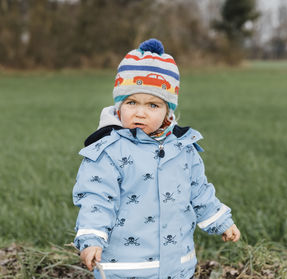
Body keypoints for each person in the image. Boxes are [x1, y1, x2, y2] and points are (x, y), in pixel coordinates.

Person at [73, 38, 240, 279]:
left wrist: (221, 221)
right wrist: (91, 238)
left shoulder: (183, 147)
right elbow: (96, 197)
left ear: (167, 112)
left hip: (177, 265)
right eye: (131, 102)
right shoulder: (108, 150)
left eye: (152, 105)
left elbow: (199, 190)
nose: (140, 112)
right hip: (125, 268)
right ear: (118, 107)